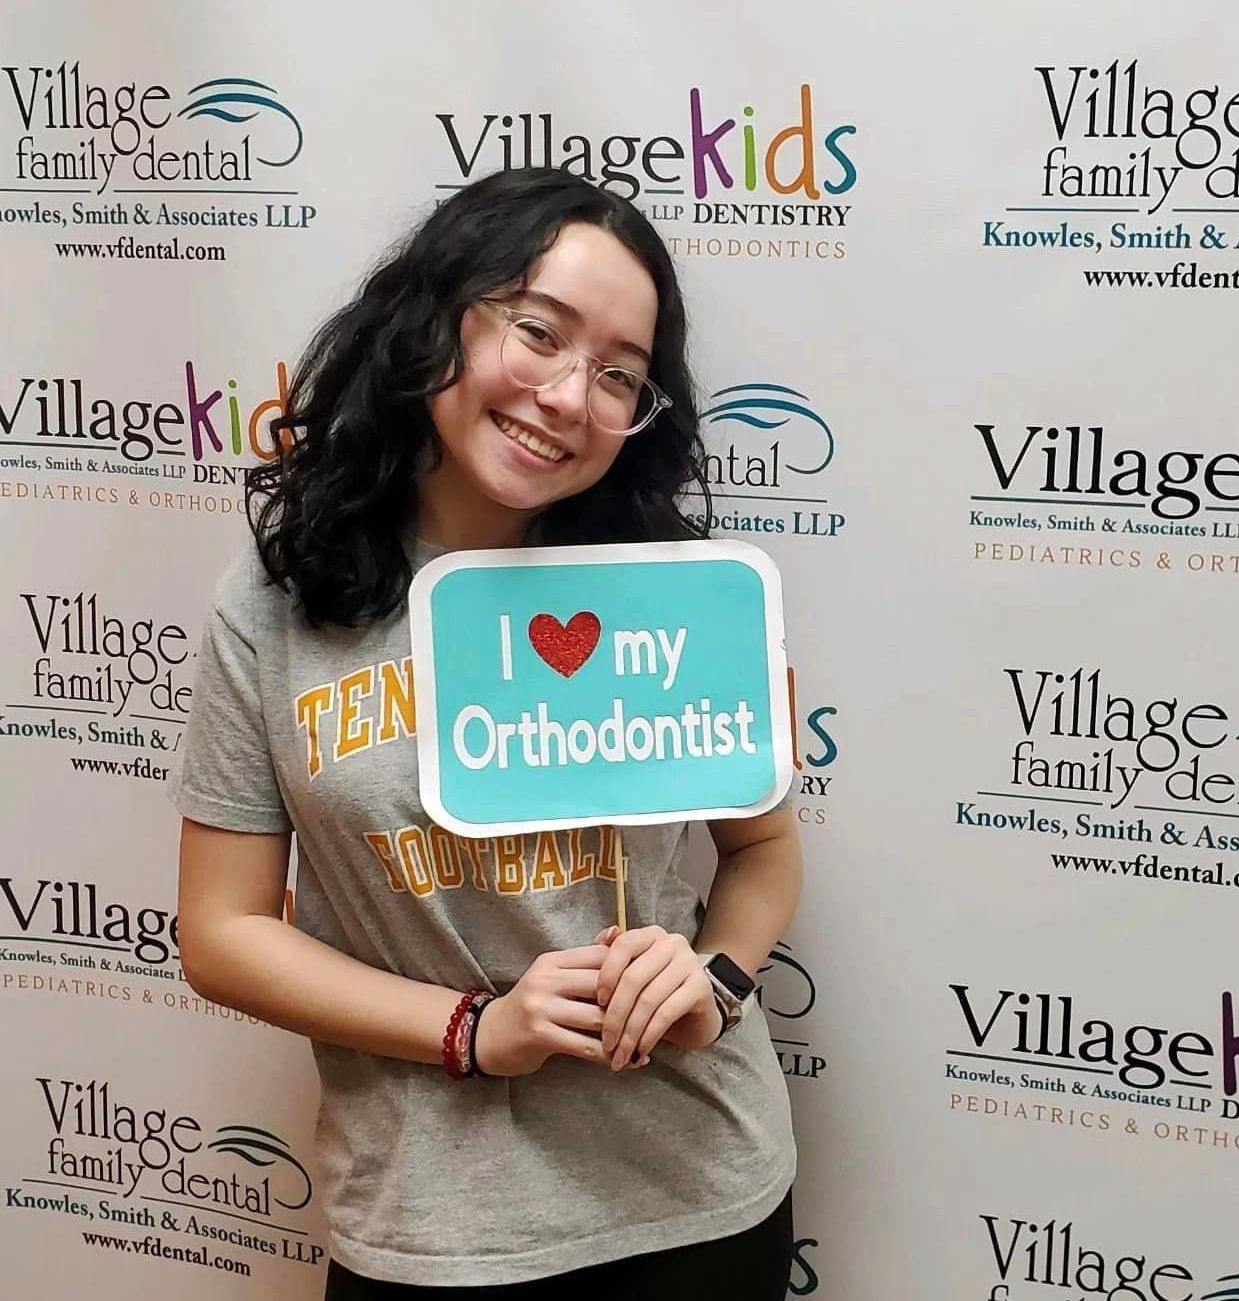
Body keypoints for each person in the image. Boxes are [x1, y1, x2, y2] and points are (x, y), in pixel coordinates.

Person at [171, 166, 804, 1299]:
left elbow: (762, 851)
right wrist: (473, 1027)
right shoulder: (275, 602)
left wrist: (712, 977)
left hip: (697, 1197)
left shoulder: (671, 595)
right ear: (434, 321)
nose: (567, 396)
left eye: (619, 375)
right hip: (429, 1224)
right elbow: (221, 931)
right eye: (538, 332)